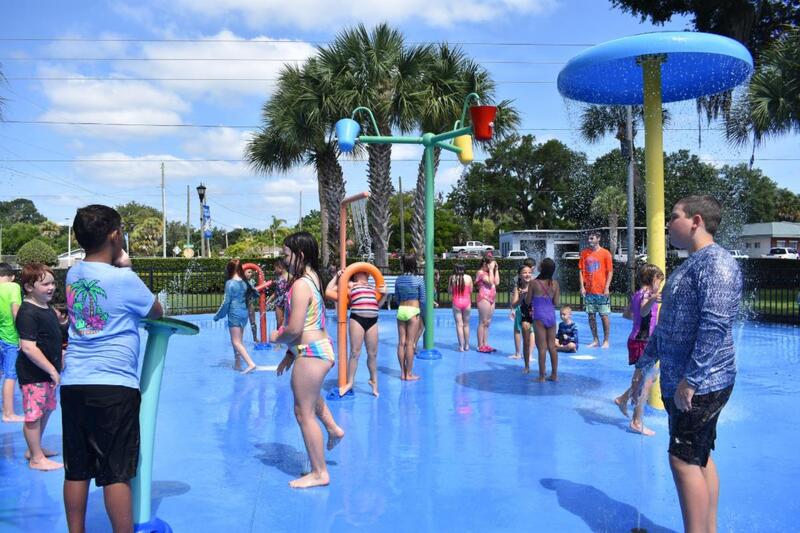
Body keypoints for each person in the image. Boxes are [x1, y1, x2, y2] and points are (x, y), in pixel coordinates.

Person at [634, 196, 741, 533]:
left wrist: (691, 380)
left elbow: (714, 325)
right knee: (699, 456)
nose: (667, 224)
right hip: (691, 381)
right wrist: (645, 362)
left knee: (682, 459)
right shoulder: (693, 263)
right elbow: (668, 326)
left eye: (674, 217)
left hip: (702, 384)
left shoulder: (716, 264)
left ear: (696, 221)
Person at [61, 204, 163, 532]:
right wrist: (127, 266)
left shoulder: (74, 275)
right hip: (113, 387)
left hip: (74, 382)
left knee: (76, 468)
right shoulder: (124, 279)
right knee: (115, 471)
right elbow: (156, 311)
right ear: (115, 235)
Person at [271, 231, 344, 489]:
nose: (284, 259)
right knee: (310, 399)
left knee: (303, 413)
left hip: (312, 352)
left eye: (286, 255)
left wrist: (276, 337)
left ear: (300, 255)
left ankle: (319, 472)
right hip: (317, 348)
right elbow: (310, 323)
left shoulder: (301, 284)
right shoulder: (313, 279)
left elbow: (294, 328)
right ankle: (334, 429)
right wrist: (291, 355)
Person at [15, 263, 64, 471]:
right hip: (34, 374)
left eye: (52, 283)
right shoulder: (27, 313)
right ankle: (36, 458)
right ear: (29, 287)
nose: (51, 287)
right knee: (34, 415)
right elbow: (27, 347)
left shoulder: (46, 309)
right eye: (45, 284)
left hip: (47, 373)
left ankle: (33, 449)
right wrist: (52, 370)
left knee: (46, 409)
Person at [615, 263, 664, 436]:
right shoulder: (648, 294)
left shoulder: (637, 294)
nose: (660, 284)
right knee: (646, 381)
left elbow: (627, 314)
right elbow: (643, 313)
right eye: (659, 280)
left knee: (646, 379)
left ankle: (623, 399)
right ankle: (636, 421)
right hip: (643, 342)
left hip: (638, 339)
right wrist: (651, 301)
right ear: (652, 279)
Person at [325, 270, 386, 396]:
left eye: (367, 273)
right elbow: (328, 291)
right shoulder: (351, 285)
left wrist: (384, 295)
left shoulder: (371, 287)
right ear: (356, 274)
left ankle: (374, 382)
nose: (367, 274)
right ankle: (350, 383)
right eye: (364, 272)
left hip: (373, 320)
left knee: (373, 354)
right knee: (355, 352)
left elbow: (378, 305)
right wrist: (337, 277)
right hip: (357, 318)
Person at [214, 259, 257, 374]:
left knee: (236, 342)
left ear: (229, 269)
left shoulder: (230, 283)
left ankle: (250, 363)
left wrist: (218, 315)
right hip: (244, 313)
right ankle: (237, 363)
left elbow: (226, 302)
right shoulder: (244, 283)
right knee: (238, 340)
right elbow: (255, 293)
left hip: (234, 314)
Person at [579, 232, 613, 348]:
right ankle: (595, 339)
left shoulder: (605, 253)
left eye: (592, 238)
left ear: (598, 239)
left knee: (604, 315)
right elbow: (581, 270)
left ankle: (606, 340)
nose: (589, 240)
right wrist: (582, 286)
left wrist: (607, 287)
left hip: (602, 290)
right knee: (591, 315)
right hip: (589, 290)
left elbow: (610, 271)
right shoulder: (584, 253)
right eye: (589, 238)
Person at [0, 262, 24, 422]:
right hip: (11, 337)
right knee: (10, 375)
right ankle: (8, 413)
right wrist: (23, 335)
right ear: (12, 276)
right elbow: (16, 311)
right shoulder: (13, 287)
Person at [394, 253, 424, 380]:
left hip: (401, 310)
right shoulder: (419, 280)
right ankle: (409, 374)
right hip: (413, 310)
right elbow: (422, 298)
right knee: (410, 343)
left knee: (401, 343)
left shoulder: (398, 280)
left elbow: (397, 298)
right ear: (414, 264)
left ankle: (402, 373)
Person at [530, 258, 560, 382]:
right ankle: (554, 375)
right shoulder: (555, 284)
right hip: (551, 316)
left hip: (539, 317)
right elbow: (556, 302)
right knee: (552, 347)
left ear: (542, 268)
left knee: (542, 348)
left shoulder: (533, 283)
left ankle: (542, 376)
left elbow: (527, 301)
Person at [509, 259, 535, 360]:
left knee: (531, 330)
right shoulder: (518, 288)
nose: (527, 274)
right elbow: (514, 304)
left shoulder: (534, 286)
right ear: (519, 275)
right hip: (520, 311)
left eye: (529, 272)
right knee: (517, 330)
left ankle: (529, 354)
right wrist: (521, 298)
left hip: (531, 311)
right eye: (524, 273)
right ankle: (518, 353)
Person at [475, 253, 500, 353]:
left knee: (488, 322)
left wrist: (496, 270)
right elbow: (490, 282)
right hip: (484, 298)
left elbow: (496, 282)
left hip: (492, 298)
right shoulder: (480, 272)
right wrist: (490, 270)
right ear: (485, 263)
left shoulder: (491, 272)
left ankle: (486, 344)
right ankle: (480, 345)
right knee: (483, 321)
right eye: (491, 264)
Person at [448, 264, 473, 352]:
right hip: (467, 302)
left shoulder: (452, 278)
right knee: (466, 324)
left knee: (459, 325)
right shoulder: (469, 278)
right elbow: (471, 291)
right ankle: (467, 345)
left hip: (456, 302)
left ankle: (461, 346)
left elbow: (449, 291)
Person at [266, 259, 289, 328]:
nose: (274, 270)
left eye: (275, 268)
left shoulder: (290, 277)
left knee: (287, 321)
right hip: (279, 302)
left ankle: (286, 335)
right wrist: (270, 299)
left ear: (280, 268)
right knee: (279, 321)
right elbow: (277, 291)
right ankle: (279, 334)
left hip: (287, 302)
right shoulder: (279, 278)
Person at [244, 268, 260, 342]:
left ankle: (255, 338)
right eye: (249, 272)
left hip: (250, 304)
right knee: (241, 322)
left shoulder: (252, 281)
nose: (251, 274)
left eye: (251, 272)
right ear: (243, 273)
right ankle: (239, 338)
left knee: (253, 322)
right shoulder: (241, 282)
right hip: (242, 305)